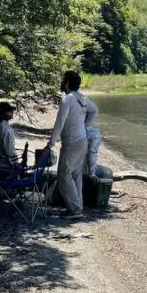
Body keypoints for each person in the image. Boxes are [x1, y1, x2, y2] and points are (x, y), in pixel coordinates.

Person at [48, 71, 98, 218]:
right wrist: (84, 125)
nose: (62, 82)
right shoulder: (81, 98)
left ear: (68, 83)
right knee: (75, 175)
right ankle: (77, 207)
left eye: (63, 80)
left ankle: (75, 209)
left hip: (72, 142)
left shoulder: (68, 99)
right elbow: (95, 110)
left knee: (64, 175)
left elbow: (60, 122)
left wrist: (51, 142)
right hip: (82, 141)